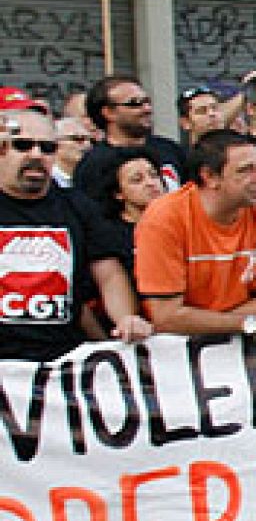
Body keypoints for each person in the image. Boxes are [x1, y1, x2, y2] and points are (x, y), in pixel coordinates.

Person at [0, 109, 151, 361]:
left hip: (60, 362)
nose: (36, 155)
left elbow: (109, 275)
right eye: (23, 145)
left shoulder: (78, 208)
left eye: (47, 148)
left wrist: (126, 318)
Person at [134, 129, 256, 342]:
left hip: (241, 347)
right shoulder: (164, 219)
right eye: (245, 171)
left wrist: (205, 323)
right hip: (177, 352)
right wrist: (249, 322)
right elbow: (166, 316)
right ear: (210, 177)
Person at [74, 74, 187, 199]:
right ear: (108, 113)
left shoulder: (171, 150)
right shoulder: (93, 166)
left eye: (147, 102)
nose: (147, 109)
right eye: (135, 103)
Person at [90, 148, 164, 280]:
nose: (151, 183)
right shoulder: (109, 235)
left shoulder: (178, 225)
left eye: (154, 175)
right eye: (137, 180)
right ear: (118, 193)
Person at [51, 116, 94, 189]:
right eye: (78, 139)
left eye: (90, 140)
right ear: (55, 143)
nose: (87, 144)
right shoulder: (47, 179)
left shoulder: (93, 178)